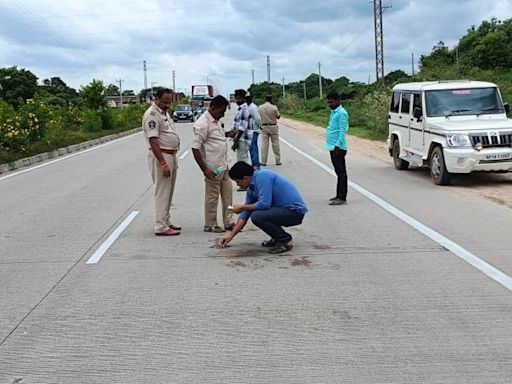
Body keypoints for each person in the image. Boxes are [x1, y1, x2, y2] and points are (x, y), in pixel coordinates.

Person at [219, 162, 308, 254]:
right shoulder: (251, 187)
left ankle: (285, 240)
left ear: (245, 178)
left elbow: (264, 204)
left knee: (257, 216)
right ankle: (277, 237)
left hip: (294, 212)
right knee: (257, 214)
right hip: (281, 211)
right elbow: (245, 214)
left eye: (238, 181)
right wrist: (231, 235)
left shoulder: (262, 176)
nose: (238, 185)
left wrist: (242, 207)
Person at [192, 95, 236, 233]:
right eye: (220, 112)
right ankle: (210, 224)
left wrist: (227, 134)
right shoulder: (202, 124)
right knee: (212, 197)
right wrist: (205, 169)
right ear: (212, 108)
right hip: (213, 167)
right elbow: (195, 147)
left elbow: (216, 138)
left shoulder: (216, 121)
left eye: (223, 113)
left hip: (224, 164)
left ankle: (229, 222)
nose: (222, 115)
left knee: (228, 196)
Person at [142, 88, 181, 235]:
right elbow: (153, 140)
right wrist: (163, 163)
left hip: (170, 154)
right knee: (162, 191)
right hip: (161, 156)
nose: (167, 105)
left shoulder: (164, 113)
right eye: (165, 102)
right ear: (156, 99)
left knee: (169, 191)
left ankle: (166, 220)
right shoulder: (152, 115)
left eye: (169, 102)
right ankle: (160, 226)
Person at [325, 91, 349, 206]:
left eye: (332, 102)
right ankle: (338, 195)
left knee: (341, 172)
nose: (329, 104)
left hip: (338, 147)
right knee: (338, 172)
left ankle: (342, 197)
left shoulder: (341, 113)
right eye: (328, 102)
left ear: (338, 101)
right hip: (333, 146)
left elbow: (342, 130)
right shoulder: (334, 112)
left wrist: (337, 146)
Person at [258, 95, 281, 166]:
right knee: (275, 143)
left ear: (265, 99)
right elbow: (278, 116)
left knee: (264, 144)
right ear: (271, 99)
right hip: (273, 126)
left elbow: (258, 116)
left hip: (264, 126)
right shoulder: (274, 107)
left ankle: (264, 162)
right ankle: (277, 161)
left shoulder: (260, 107)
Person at [231, 89, 252, 165]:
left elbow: (242, 128)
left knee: (242, 161)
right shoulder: (240, 109)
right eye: (236, 98)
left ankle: (245, 176)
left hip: (242, 139)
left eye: (239, 98)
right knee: (242, 159)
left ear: (244, 98)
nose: (237, 100)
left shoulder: (244, 109)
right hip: (241, 139)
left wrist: (236, 141)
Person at [246, 94, 261, 169]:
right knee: (251, 147)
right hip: (250, 130)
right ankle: (254, 162)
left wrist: (260, 126)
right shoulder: (248, 107)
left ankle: (256, 163)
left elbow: (257, 118)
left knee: (253, 147)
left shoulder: (253, 107)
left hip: (254, 130)